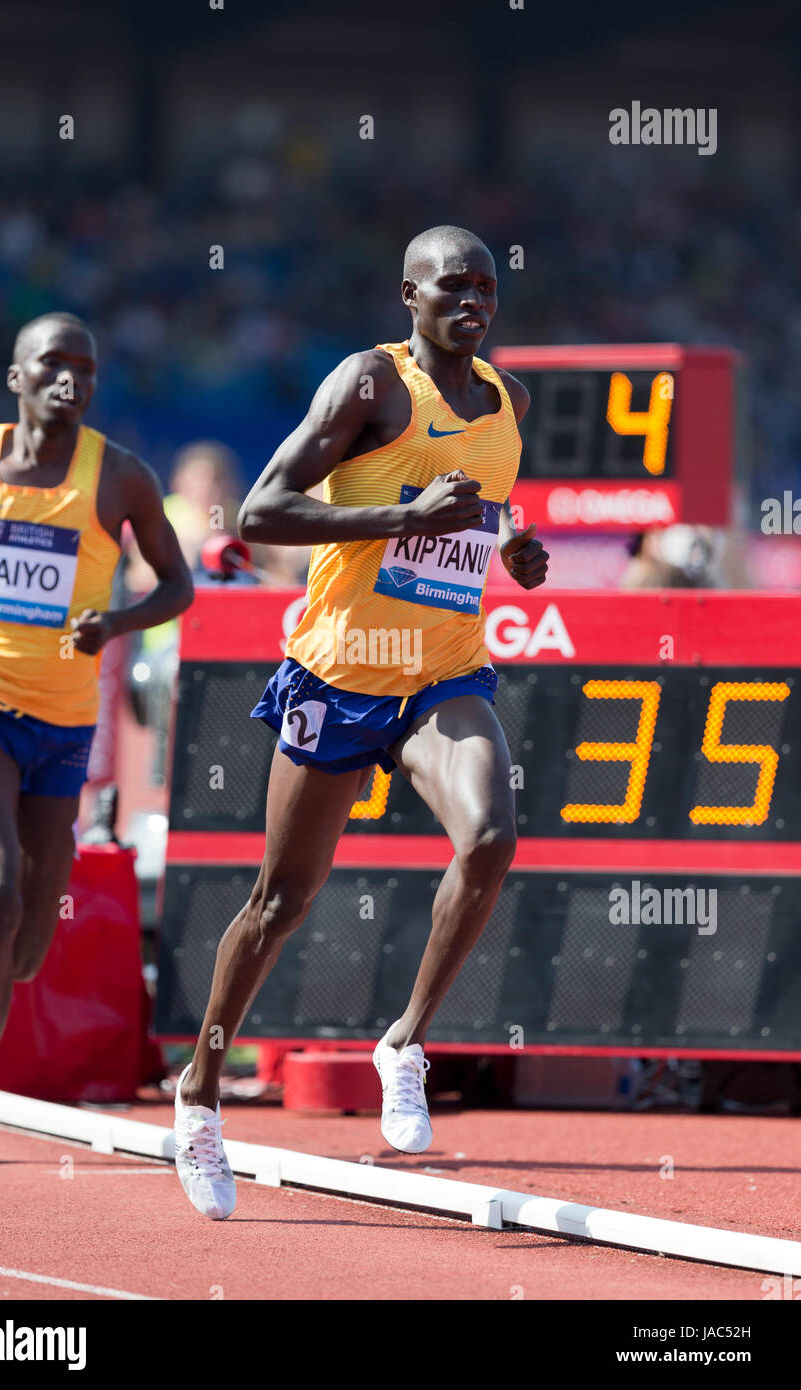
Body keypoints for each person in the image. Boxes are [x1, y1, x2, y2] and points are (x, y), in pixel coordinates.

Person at [173, 225, 548, 1220]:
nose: (469, 298)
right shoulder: (367, 386)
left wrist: (511, 543)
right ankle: (200, 1095)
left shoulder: (509, 401)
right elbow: (258, 513)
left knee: (491, 835)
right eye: (448, 285)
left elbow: (486, 509)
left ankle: (403, 1041)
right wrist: (399, 519)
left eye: (483, 284)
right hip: (339, 671)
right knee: (278, 902)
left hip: (441, 670)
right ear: (407, 296)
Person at [0, 311, 193, 1163]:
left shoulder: (118, 478)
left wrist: (115, 621)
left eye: (84, 368)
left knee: (30, 936)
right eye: (51, 365)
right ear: (16, 377)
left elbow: (178, 586)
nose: (69, 380)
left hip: (64, 714)